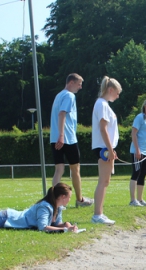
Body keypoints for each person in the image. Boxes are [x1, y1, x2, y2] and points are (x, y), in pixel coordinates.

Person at [50, 73, 93, 208]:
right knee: (75, 169)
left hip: (55, 137)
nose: (80, 87)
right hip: (67, 138)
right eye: (79, 84)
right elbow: (62, 113)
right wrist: (62, 135)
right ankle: (80, 200)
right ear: (71, 82)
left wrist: (58, 135)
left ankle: (54, 201)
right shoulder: (69, 95)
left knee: (59, 170)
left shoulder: (58, 95)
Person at [91, 76, 122, 225]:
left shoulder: (103, 104)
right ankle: (97, 215)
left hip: (106, 147)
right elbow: (103, 129)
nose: (118, 96)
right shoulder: (102, 104)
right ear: (110, 90)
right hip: (103, 147)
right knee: (103, 181)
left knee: (105, 181)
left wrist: (112, 149)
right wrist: (110, 149)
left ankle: (100, 213)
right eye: (117, 93)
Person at [129, 98, 146, 207]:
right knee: (136, 173)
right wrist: (137, 150)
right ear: (145, 107)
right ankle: (133, 200)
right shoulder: (139, 117)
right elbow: (133, 134)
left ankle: (140, 199)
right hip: (137, 151)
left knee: (143, 174)